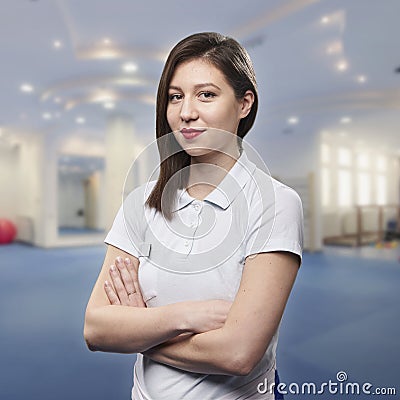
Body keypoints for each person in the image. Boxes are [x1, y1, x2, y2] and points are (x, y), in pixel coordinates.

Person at [84, 32, 303, 400]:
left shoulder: (277, 203)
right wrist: (183, 317)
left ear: (244, 103)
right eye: (175, 96)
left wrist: (139, 328)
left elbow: (237, 353)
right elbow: (95, 328)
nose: (186, 111)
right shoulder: (141, 203)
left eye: (206, 94)